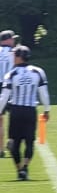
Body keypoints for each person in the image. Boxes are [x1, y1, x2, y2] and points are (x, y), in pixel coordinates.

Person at [0, 45, 51, 180]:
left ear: (18, 57)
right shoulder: (38, 72)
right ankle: (25, 167)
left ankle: (19, 169)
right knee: (29, 141)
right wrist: (47, 109)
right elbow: (43, 93)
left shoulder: (11, 74)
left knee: (14, 142)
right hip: (30, 110)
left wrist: (0, 111)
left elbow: (4, 96)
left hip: (16, 110)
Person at [0, 29, 18, 158]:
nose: (14, 41)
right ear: (8, 40)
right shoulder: (14, 53)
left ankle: (0, 149)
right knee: (15, 117)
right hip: (10, 87)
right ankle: (11, 140)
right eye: (12, 39)